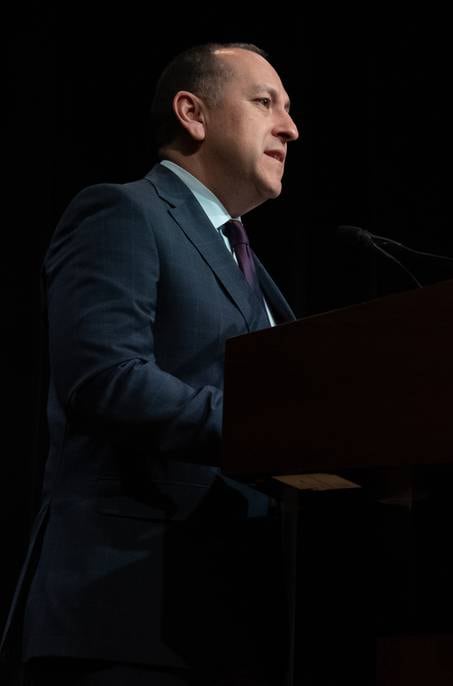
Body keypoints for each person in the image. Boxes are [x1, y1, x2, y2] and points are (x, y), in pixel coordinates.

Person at [2, 43, 300, 685]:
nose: (290, 127)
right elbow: (105, 381)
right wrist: (274, 432)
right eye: (264, 102)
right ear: (192, 113)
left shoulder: (250, 264)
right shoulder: (122, 212)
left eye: (289, 109)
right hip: (129, 610)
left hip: (241, 623)